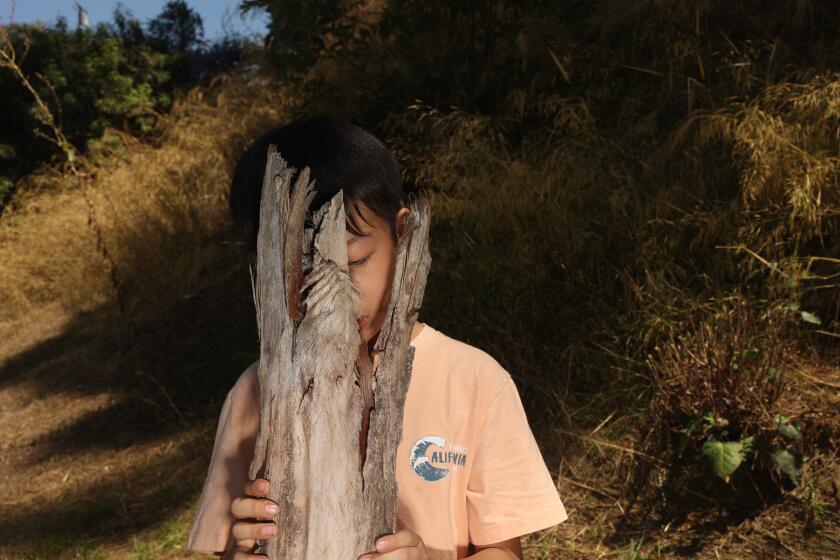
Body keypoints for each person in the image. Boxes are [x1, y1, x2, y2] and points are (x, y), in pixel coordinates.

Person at [186, 117, 568, 559]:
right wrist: (240, 551)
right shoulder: (253, 393)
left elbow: (504, 551)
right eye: (296, 274)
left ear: (403, 234)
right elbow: (227, 546)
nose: (330, 300)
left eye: (355, 261)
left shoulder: (475, 381)